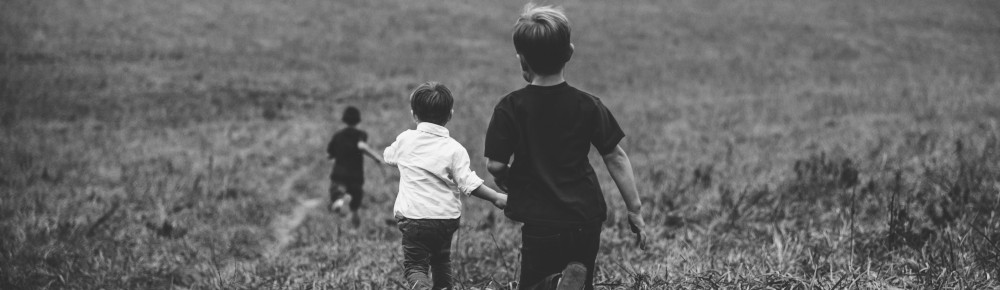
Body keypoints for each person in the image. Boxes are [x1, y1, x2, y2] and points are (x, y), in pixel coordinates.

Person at [484, 4, 648, 290]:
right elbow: (615, 157)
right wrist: (634, 209)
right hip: (586, 216)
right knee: (581, 279)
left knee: (535, 283)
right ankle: (564, 283)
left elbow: (495, 165)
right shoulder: (588, 105)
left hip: (540, 221)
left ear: (521, 60)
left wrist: (509, 179)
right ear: (569, 52)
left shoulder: (510, 107)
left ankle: (553, 283)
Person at [384, 82, 508, 290]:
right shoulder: (454, 149)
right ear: (450, 114)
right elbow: (468, 183)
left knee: (415, 266)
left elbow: (388, 155)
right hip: (445, 220)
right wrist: (496, 196)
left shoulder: (406, 140)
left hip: (414, 218)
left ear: (414, 114)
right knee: (441, 261)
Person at [327, 106, 384, 227]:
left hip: (339, 174)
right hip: (356, 176)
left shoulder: (337, 136)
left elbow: (330, 153)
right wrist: (376, 157)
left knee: (336, 195)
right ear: (358, 120)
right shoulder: (361, 134)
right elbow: (362, 146)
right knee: (355, 206)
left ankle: (340, 201)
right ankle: (355, 229)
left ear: (344, 119)